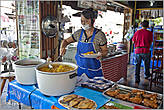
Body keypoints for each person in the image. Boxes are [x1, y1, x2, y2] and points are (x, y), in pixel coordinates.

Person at [60, 8, 108, 78]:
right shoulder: (79, 33)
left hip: (94, 72)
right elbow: (66, 41)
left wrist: (101, 55)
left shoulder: (100, 35)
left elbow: (105, 51)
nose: (83, 23)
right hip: (80, 71)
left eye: (86, 21)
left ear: (93, 20)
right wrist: (62, 47)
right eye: (82, 21)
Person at [132, 20, 153, 85]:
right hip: (146, 51)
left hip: (137, 51)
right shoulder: (150, 33)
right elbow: (151, 42)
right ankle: (146, 75)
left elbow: (133, 41)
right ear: (148, 26)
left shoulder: (137, 32)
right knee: (146, 65)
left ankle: (137, 79)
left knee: (137, 65)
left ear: (141, 25)